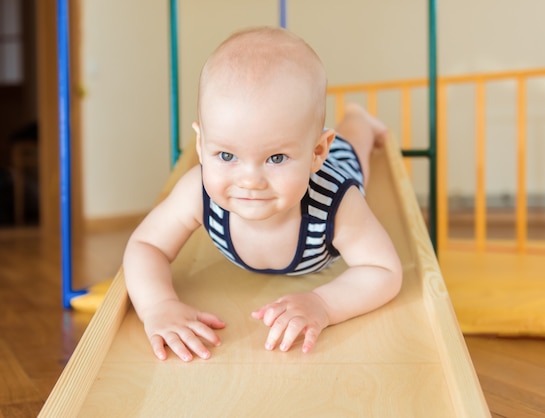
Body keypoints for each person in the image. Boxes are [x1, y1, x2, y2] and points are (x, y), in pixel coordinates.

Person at [123, 26, 402, 362]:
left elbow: (383, 270)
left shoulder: (337, 204)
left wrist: (324, 304)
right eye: (226, 155)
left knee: (353, 150)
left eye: (276, 158)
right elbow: (146, 245)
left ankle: (359, 120)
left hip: (337, 165)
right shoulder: (197, 192)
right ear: (201, 144)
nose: (250, 180)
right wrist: (158, 305)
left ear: (316, 152)